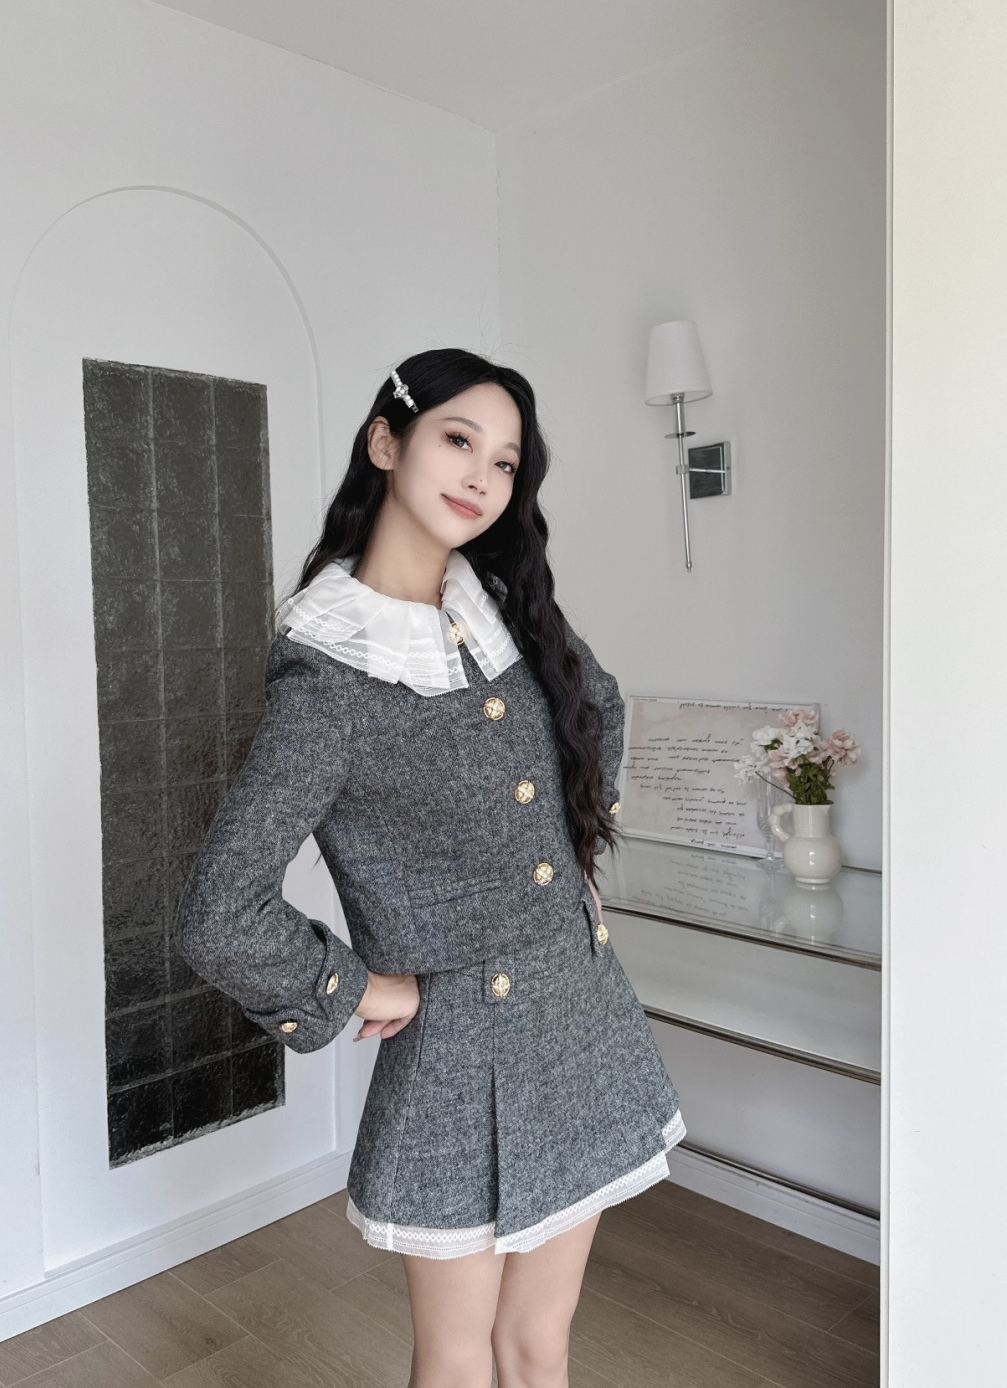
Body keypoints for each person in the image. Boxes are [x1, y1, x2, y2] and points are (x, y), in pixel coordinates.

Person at [175, 347, 684, 1388]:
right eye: (459, 439)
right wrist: (359, 985)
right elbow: (218, 909)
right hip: (459, 1053)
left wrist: (572, 864)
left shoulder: (496, 605)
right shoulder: (328, 680)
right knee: (456, 1359)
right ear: (385, 440)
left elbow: (600, 707)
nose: (481, 477)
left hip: (582, 1012)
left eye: (504, 462)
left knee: (540, 1342)